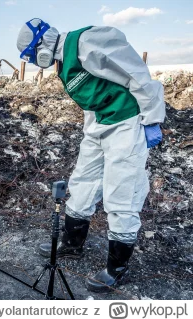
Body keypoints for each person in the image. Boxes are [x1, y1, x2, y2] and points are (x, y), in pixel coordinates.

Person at [17, 19, 165, 292]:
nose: (36, 61)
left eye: (32, 54)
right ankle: (72, 245)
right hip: (100, 124)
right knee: (83, 182)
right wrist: (91, 132)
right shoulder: (64, 63)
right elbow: (94, 97)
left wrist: (152, 117)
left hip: (127, 120)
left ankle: (116, 268)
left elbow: (135, 72)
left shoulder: (86, 42)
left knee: (121, 191)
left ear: (42, 44)